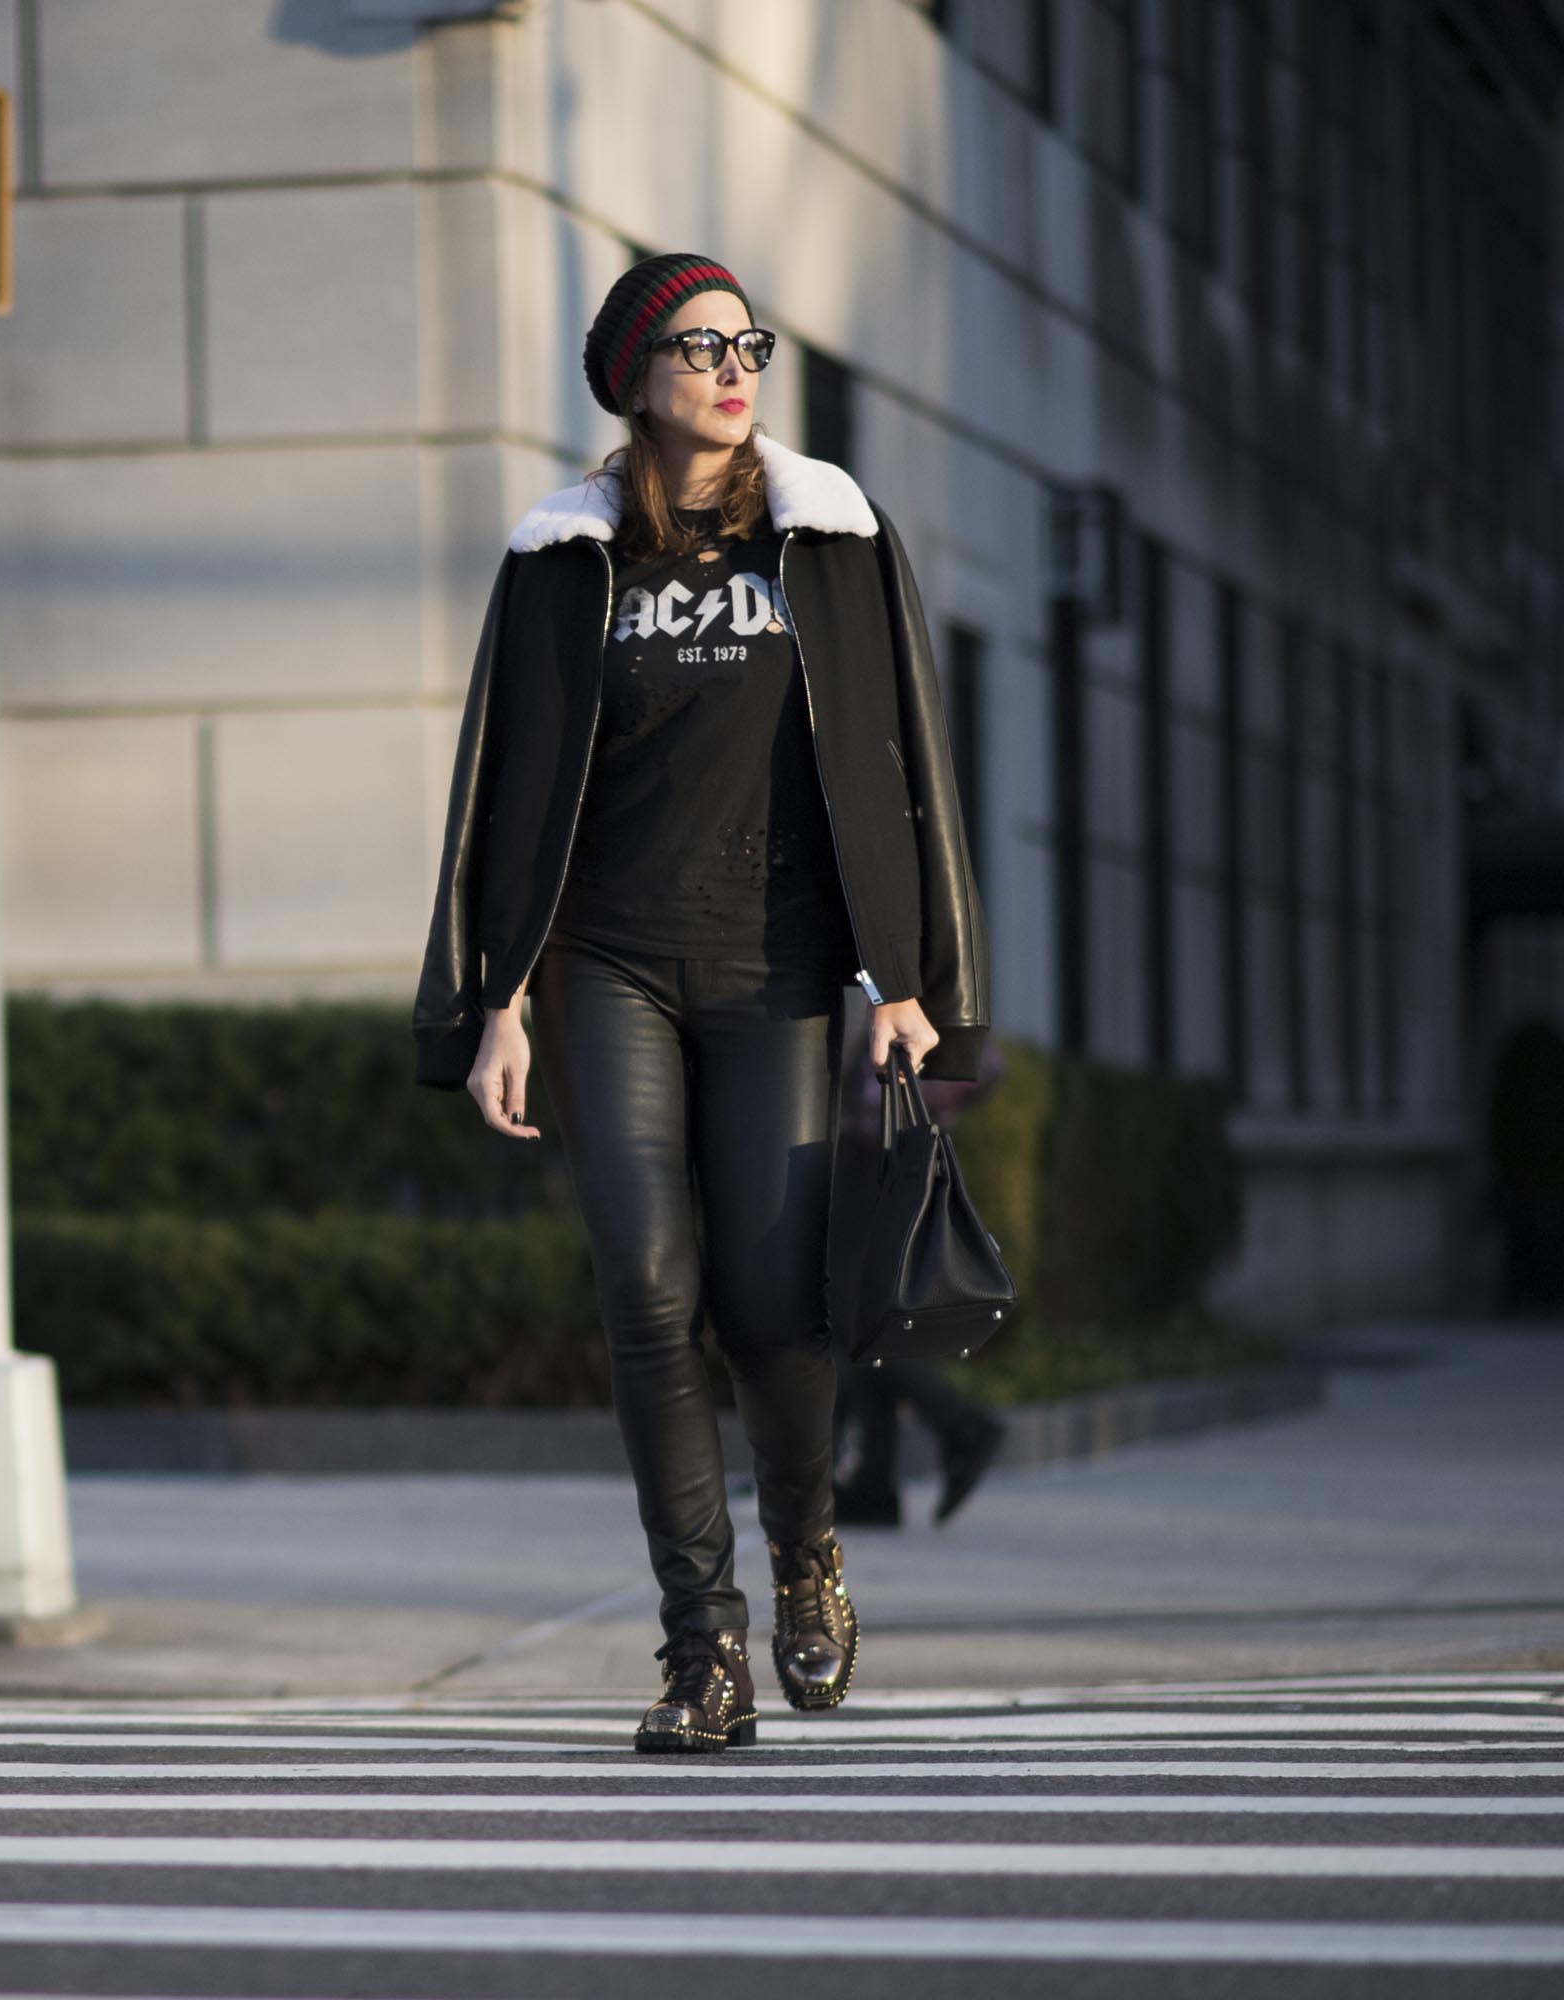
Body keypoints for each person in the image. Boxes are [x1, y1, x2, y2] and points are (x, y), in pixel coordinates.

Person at [412, 253, 990, 1753]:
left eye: (749, 343)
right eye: (698, 346)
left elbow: (907, 770)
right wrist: (497, 1001)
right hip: (607, 965)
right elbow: (506, 789)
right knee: (646, 1294)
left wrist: (916, 982)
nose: (734, 369)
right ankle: (702, 1650)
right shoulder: (561, 561)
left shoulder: (832, 542)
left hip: (779, 967)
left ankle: (808, 1553)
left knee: (770, 1304)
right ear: (632, 377)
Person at [829, 1015, 1010, 1528]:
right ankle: (875, 1483)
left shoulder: (905, 970)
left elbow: (984, 1063)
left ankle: (960, 1426)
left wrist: (918, 1094)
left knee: (852, 1316)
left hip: (880, 1158)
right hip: (882, 1157)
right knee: (867, 1318)